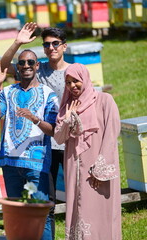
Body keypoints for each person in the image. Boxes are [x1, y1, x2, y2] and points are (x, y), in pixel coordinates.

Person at [0, 22, 70, 237]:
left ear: (64, 46)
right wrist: (18, 42)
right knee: (45, 204)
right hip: (43, 147)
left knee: (70, 199)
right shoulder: (39, 69)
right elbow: (3, 65)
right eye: (46, 45)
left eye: (55, 44)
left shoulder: (73, 72)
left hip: (65, 141)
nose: (51, 48)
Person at [0, 54, 59, 240]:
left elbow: (53, 130)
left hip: (36, 164)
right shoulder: (7, 91)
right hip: (10, 164)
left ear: (37, 66)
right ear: (17, 67)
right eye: (22, 63)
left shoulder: (48, 94)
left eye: (30, 62)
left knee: (40, 215)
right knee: (16, 216)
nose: (26, 65)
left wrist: (35, 119)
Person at [54, 63, 121, 239]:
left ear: (84, 78)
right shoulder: (66, 106)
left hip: (97, 170)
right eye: (68, 82)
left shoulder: (105, 101)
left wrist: (100, 171)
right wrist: (68, 120)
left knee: (99, 212)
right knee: (78, 210)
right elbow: (59, 138)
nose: (72, 86)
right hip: (73, 167)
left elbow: (111, 136)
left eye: (75, 81)